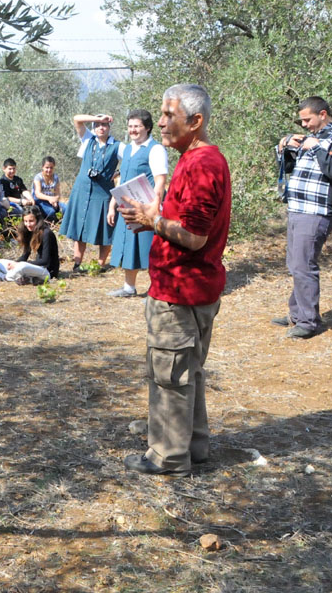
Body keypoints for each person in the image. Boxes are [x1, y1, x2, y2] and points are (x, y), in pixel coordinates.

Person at [118, 84, 231, 477]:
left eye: (169, 116)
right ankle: (193, 444)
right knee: (189, 371)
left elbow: (195, 237)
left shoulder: (201, 165)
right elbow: (185, 220)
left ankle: (167, 456)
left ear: (195, 122)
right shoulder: (195, 159)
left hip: (180, 291)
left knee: (170, 376)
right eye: (161, 115)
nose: (161, 123)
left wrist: (153, 221)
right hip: (193, 287)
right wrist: (154, 214)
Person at [272, 96, 332, 338]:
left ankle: (308, 322)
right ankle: (297, 314)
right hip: (298, 207)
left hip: (316, 210)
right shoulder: (314, 137)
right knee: (295, 263)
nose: (305, 125)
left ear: (323, 114)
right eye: (302, 121)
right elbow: (289, 168)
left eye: (307, 119)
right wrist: (284, 147)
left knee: (304, 264)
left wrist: (314, 146)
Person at [106, 109, 169, 297]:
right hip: (128, 207)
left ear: (147, 128)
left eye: (137, 126)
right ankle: (129, 287)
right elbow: (122, 180)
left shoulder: (156, 149)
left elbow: (160, 180)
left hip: (147, 208)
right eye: (130, 126)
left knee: (150, 249)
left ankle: (156, 292)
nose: (133, 130)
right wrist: (112, 206)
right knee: (129, 245)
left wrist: (155, 207)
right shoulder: (127, 150)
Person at [62, 114, 121, 271]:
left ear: (109, 127)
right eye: (98, 124)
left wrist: (118, 173)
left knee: (104, 229)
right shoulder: (88, 140)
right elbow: (76, 119)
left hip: (102, 193)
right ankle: (77, 263)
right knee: (79, 228)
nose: (101, 127)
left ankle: (100, 265)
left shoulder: (117, 146)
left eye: (104, 125)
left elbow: (130, 161)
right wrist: (97, 116)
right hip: (82, 190)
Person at [0, 206, 58, 283]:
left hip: (47, 271)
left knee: (22, 266)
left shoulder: (46, 233)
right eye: (26, 221)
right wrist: (15, 263)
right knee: (0, 262)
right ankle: (23, 277)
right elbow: (25, 255)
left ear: (38, 220)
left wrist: (19, 264)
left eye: (31, 221)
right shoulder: (29, 231)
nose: (28, 224)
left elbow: (45, 261)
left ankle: (5, 277)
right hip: (37, 268)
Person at [32, 156, 64, 221]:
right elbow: (38, 194)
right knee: (51, 212)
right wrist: (50, 199)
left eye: (51, 168)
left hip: (52, 200)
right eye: (47, 167)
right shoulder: (38, 177)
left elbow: (58, 193)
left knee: (67, 208)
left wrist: (55, 200)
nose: (49, 170)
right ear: (42, 167)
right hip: (39, 201)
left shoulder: (56, 177)